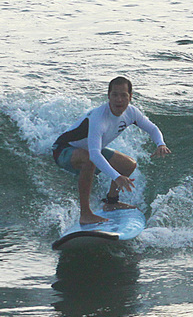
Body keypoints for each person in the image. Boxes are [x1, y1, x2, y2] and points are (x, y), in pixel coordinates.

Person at [52, 76, 171, 225]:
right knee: (90, 159)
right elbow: (95, 155)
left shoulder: (132, 113)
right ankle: (85, 214)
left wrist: (160, 144)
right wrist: (116, 177)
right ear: (108, 96)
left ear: (130, 97)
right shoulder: (99, 117)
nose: (118, 100)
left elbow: (152, 128)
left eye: (123, 95)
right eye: (114, 95)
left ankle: (111, 202)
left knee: (128, 164)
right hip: (64, 150)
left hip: (88, 150)